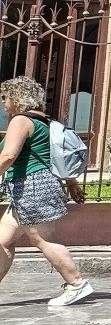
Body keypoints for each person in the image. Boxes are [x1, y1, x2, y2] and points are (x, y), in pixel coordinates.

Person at [0, 76, 93, 306]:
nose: (3, 102)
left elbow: (8, 155)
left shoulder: (20, 120)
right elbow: (54, 156)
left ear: (17, 98)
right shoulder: (45, 121)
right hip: (30, 189)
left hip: (31, 188)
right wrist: (72, 184)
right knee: (3, 240)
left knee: (42, 239)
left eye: (5, 97)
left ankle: (76, 284)